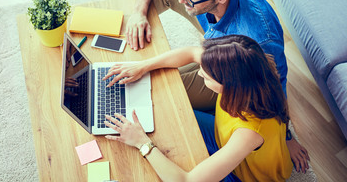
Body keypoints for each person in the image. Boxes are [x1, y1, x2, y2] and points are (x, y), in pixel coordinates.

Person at [124, 0, 309, 172]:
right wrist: (139, 14)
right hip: (220, 51)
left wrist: (286, 135)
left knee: (165, 96)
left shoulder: (258, 39)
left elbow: (274, 87)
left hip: (234, 71)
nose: (182, 0)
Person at [103, 35, 293, 181]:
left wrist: (141, 143)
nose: (200, 72)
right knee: (169, 112)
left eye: (207, 77)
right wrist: (142, 66)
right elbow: (191, 53)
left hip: (244, 175)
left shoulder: (249, 134)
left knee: (166, 165)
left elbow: (187, 180)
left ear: (230, 85)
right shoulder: (247, 71)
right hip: (223, 136)